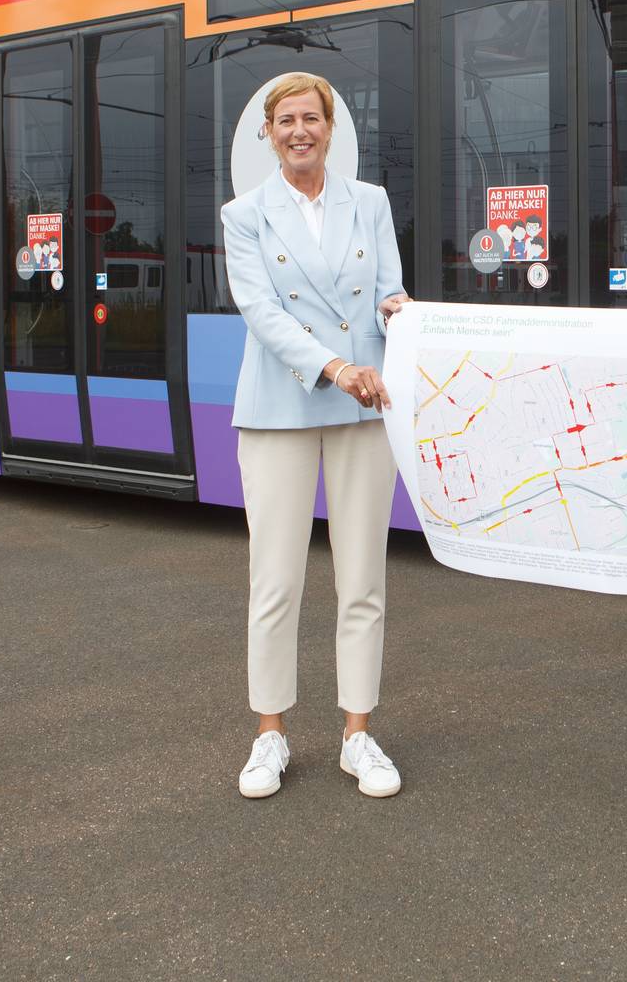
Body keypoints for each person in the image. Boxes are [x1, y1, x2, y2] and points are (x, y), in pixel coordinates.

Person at [222, 72, 410, 800]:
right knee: (276, 581)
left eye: (312, 118)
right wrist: (335, 365)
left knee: (364, 578)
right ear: (267, 133)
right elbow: (261, 313)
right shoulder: (244, 215)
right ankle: (269, 735)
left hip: (368, 404)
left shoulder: (371, 204)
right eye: (286, 120)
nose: (300, 130)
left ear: (332, 128)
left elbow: (389, 285)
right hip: (283, 406)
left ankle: (357, 735)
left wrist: (403, 313)